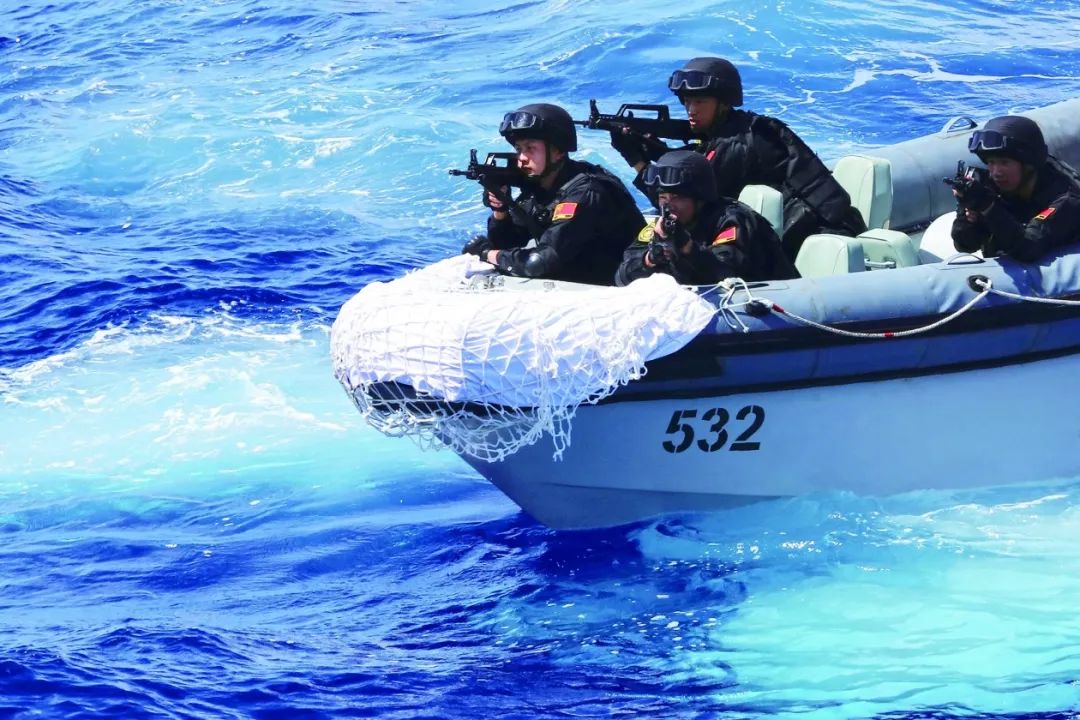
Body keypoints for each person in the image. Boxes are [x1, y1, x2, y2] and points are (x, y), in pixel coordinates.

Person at [609, 56, 866, 260]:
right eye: (687, 101)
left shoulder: (737, 143)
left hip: (821, 234)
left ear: (723, 103)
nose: (691, 110)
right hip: (798, 228)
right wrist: (656, 151)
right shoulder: (736, 131)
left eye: (700, 102)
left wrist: (638, 162)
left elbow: (686, 202)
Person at [461, 103, 645, 286]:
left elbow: (540, 262)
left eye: (530, 148)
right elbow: (508, 243)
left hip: (620, 284)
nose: (522, 158)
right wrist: (500, 210)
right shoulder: (541, 186)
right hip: (583, 276)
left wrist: (485, 254)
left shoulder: (585, 191)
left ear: (558, 151)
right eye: (518, 149)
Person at [615, 150, 798, 287]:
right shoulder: (664, 225)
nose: (669, 206)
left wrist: (687, 248)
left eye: (677, 197)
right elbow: (621, 277)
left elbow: (726, 273)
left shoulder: (732, 220)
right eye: (663, 197)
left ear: (699, 199)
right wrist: (649, 260)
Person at [951, 115, 1080, 261]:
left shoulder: (1066, 198)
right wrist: (968, 216)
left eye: (1004, 162)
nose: (996, 172)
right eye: (991, 162)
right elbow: (965, 245)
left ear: (1028, 164)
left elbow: (1028, 248)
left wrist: (988, 207)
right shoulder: (987, 185)